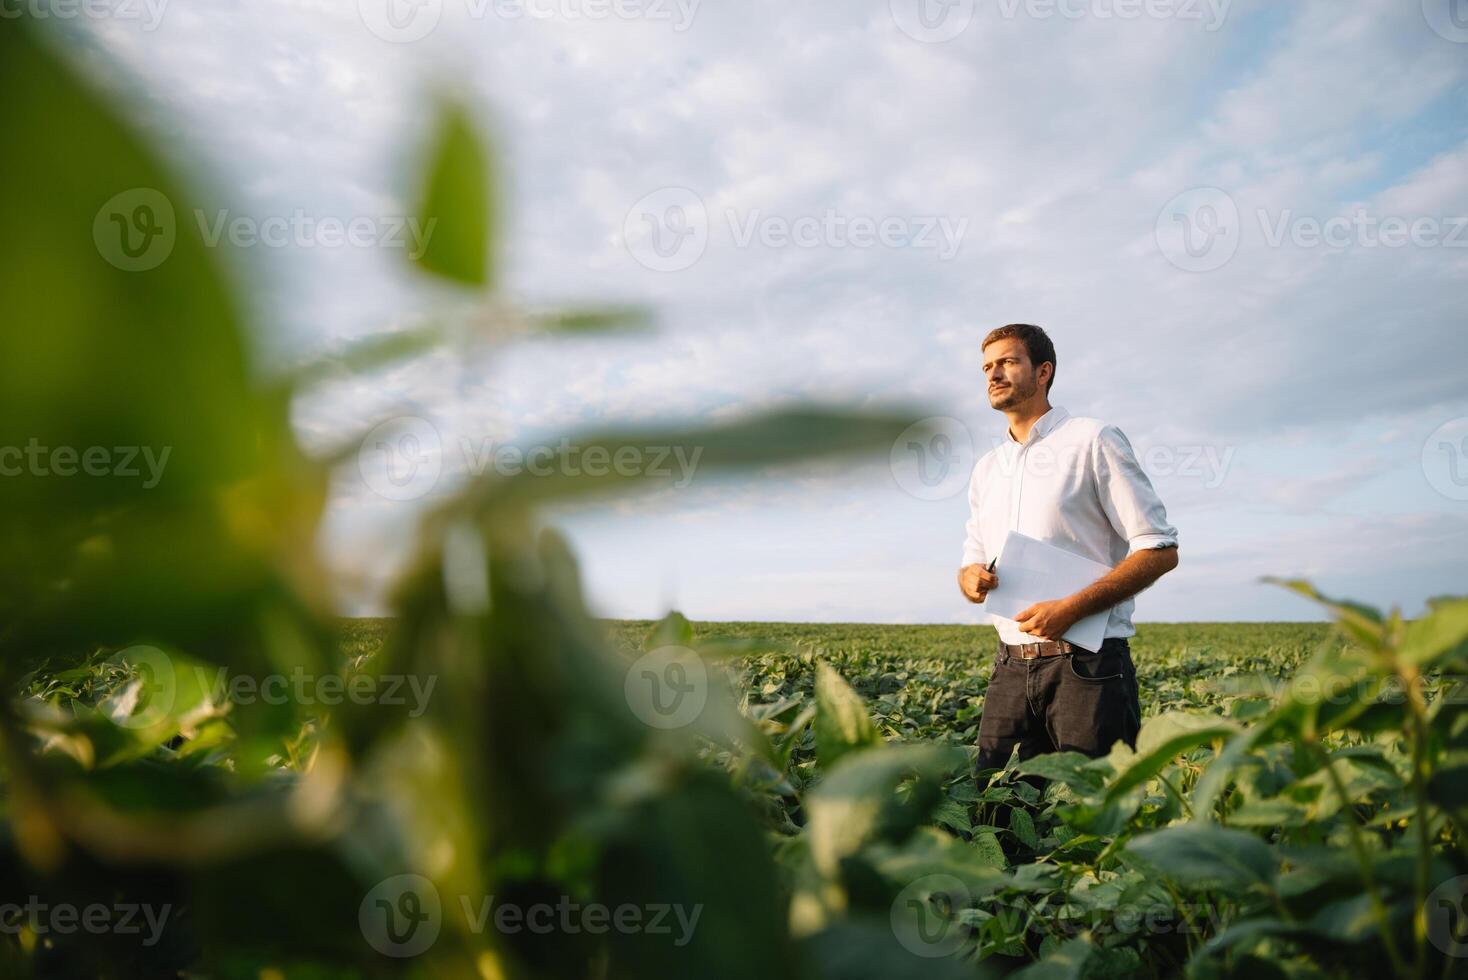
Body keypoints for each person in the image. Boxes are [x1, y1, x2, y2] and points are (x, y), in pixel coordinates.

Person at [959, 324, 1179, 771]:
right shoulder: (987, 469)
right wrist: (969, 579)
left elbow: (1159, 549)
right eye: (987, 367)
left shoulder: (1093, 439)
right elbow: (972, 563)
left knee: (1094, 818)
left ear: (1044, 371)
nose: (993, 374)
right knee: (995, 806)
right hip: (1010, 668)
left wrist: (1072, 608)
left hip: (1090, 669)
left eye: (1007, 362)